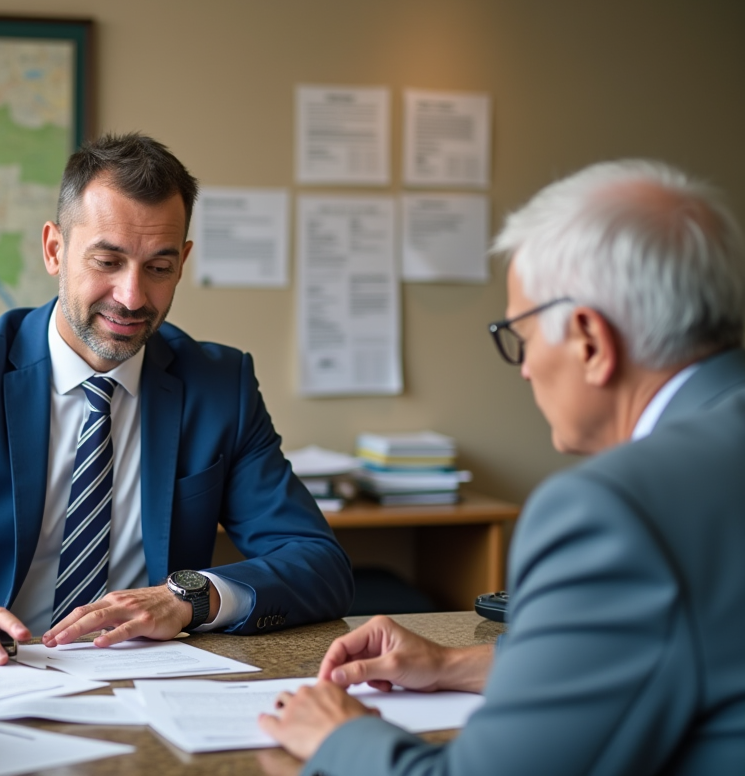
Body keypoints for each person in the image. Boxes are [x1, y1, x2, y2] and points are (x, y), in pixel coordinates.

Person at [259, 159, 745, 775]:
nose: (524, 368)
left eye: (523, 337)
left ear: (590, 341)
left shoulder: (615, 512)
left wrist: (339, 737)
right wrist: (450, 664)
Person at [0, 133, 353, 666]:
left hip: (150, 682)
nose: (132, 296)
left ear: (183, 262)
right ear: (55, 249)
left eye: (159, 268)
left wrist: (188, 595)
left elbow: (318, 562)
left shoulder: (219, 384)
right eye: (107, 261)